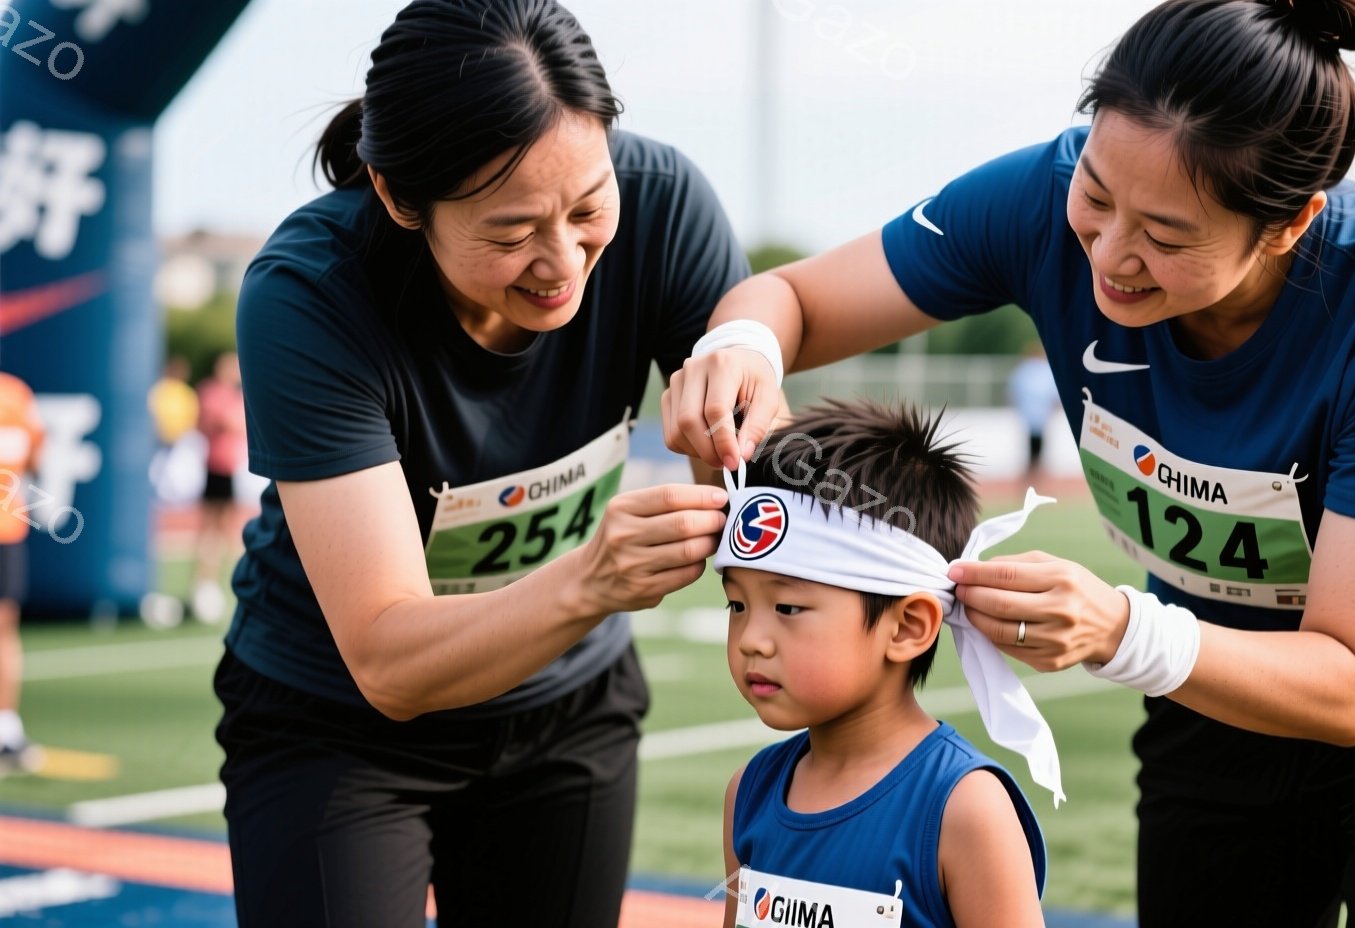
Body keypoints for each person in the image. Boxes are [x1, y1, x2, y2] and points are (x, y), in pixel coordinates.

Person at [666, 1, 1355, 924]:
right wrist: (743, 346)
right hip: (1216, 697)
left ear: (1290, 223)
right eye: (1097, 195)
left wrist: (1118, 630)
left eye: (1167, 235)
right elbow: (788, 296)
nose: (1107, 254)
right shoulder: (1037, 203)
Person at [216, 1, 747, 924]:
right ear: (396, 197)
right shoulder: (308, 293)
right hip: (338, 725)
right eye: (509, 233)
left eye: (588, 207)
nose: (561, 262)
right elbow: (389, 659)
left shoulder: (666, 204)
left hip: (569, 713)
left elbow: (754, 474)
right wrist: (591, 578)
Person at [717, 400, 1046, 928]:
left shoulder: (965, 809)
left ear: (908, 627)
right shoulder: (749, 791)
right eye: (736, 605)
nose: (751, 639)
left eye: (788, 608)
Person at [0, 371, 45, 775]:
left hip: (7, 528)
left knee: (5, 627)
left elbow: (33, 452)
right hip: (8, 526)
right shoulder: (16, 394)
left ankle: (6, 726)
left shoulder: (16, 393)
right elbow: (33, 456)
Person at [192, 351, 244, 622]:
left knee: (226, 526)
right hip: (216, 466)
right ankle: (205, 580)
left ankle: (219, 581)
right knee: (212, 526)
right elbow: (226, 422)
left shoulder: (233, 395)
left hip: (228, 467)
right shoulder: (213, 393)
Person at [1006, 342, 1059, 482]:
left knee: (1033, 451)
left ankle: (1030, 481)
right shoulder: (1044, 370)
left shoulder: (1023, 370)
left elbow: (1013, 394)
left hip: (1029, 417)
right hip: (1039, 418)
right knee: (1036, 453)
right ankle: (1032, 482)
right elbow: (1054, 396)